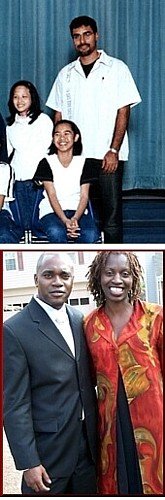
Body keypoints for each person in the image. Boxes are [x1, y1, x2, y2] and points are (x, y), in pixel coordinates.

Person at [4, 252, 98, 495]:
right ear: (36, 279)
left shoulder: (80, 319)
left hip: (88, 453)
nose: (57, 282)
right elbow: (15, 404)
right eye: (49, 275)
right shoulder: (14, 330)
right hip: (47, 457)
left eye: (64, 275)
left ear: (72, 279)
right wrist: (29, 462)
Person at [46, 15, 141, 243]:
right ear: (73, 41)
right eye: (76, 37)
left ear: (96, 35)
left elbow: (123, 110)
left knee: (110, 218)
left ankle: (111, 257)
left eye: (87, 34)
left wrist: (114, 150)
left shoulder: (117, 68)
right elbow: (58, 115)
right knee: (77, 215)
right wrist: (62, 154)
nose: (82, 40)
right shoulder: (65, 74)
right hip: (76, 159)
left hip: (107, 155)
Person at [84, 251, 163, 495]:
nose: (116, 279)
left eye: (124, 273)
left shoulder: (155, 316)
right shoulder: (89, 323)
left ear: (133, 278)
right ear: (99, 276)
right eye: (109, 273)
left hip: (154, 421)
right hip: (111, 424)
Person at [1, 80, 53, 241]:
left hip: (37, 182)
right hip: (17, 182)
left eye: (24, 96)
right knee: (22, 228)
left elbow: (49, 151)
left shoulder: (44, 120)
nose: (20, 100)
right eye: (15, 97)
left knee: (38, 227)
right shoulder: (10, 126)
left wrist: (44, 178)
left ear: (32, 98)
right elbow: (6, 153)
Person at [33, 119, 101, 243]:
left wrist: (75, 219)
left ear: (75, 137)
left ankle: (82, 263)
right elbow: (52, 195)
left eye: (66, 133)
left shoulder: (85, 163)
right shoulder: (46, 162)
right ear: (53, 139)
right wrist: (65, 220)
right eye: (57, 134)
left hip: (78, 212)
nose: (62, 138)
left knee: (90, 233)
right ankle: (61, 263)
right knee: (57, 231)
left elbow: (84, 196)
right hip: (51, 212)